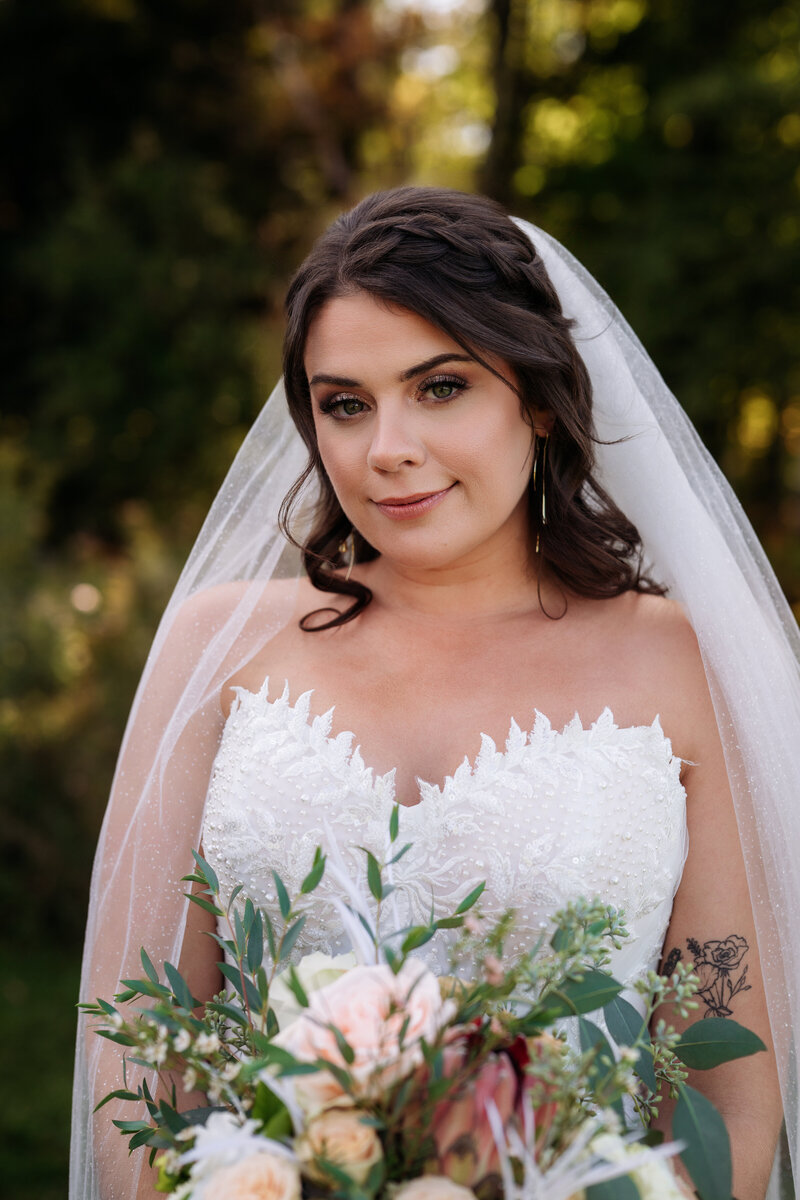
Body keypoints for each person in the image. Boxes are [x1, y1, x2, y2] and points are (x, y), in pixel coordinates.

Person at [70, 187, 799, 1200]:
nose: (387, 451)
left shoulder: (684, 665)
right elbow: (138, 1049)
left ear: (538, 397)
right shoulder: (218, 650)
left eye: (440, 388)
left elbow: (726, 1090)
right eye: (345, 404)